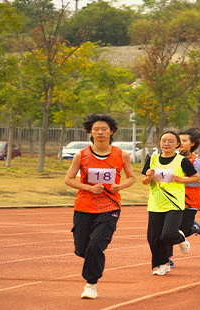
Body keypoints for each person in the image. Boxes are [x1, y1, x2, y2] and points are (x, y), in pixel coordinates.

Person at [64, 113, 136, 299]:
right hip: (84, 206)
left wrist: (120, 186)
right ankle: (92, 262)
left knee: (95, 245)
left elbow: (132, 178)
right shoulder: (82, 155)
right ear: (90, 131)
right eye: (96, 129)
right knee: (82, 249)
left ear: (111, 131)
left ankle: (91, 284)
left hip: (109, 207)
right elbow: (69, 179)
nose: (100, 132)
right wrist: (88, 188)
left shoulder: (122, 155)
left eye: (104, 129)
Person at [142, 131, 200, 275]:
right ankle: (163, 264)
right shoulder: (152, 159)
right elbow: (144, 181)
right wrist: (148, 177)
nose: (166, 144)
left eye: (170, 141)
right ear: (159, 142)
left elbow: (196, 177)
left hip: (174, 204)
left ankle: (180, 239)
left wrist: (182, 180)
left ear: (177, 144)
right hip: (156, 203)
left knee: (167, 234)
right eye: (163, 141)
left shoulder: (182, 161)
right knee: (153, 237)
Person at [167, 128, 200, 268]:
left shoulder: (195, 161)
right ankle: (168, 258)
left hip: (190, 201)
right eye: (179, 140)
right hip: (172, 200)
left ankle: (194, 228)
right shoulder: (171, 158)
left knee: (182, 230)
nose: (180, 143)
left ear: (192, 144)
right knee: (168, 231)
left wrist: (183, 180)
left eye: (184, 141)